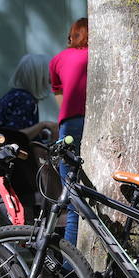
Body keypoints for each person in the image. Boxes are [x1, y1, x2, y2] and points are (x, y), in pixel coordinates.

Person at [49, 18, 89, 243]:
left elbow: (59, 92)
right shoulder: (97, 54)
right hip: (93, 121)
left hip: (70, 125)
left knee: (72, 196)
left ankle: (69, 266)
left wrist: (66, 117)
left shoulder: (57, 60)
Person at [0, 53, 57, 140]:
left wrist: (37, 133)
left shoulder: (14, 96)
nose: (51, 80)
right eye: (49, 74)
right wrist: (43, 125)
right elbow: (14, 136)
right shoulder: (24, 100)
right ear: (39, 77)